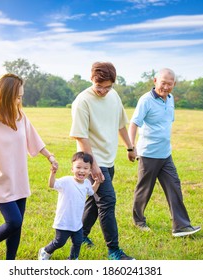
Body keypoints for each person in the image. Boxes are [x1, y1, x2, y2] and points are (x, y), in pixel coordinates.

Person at [0, 73, 58, 260]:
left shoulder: (20, 116)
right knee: (13, 221)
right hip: (0, 180)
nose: (20, 100)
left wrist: (50, 156)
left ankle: (10, 263)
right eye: (17, 96)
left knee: (17, 225)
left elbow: (34, 139)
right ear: (4, 96)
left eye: (21, 96)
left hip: (19, 178)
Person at [69, 62, 136, 260]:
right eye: (100, 87)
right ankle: (114, 250)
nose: (104, 91)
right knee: (107, 201)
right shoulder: (82, 101)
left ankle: (81, 236)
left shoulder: (113, 96)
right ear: (92, 79)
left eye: (108, 87)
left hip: (109, 159)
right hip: (92, 161)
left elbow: (121, 124)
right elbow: (81, 137)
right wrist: (94, 166)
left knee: (94, 201)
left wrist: (130, 147)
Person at [128, 68, 201, 237]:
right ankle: (139, 221)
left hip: (165, 153)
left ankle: (181, 226)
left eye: (170, 84)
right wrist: (131, 147)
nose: (166, 87)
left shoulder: (171, 99)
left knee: (174, 186)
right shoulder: (146, 100)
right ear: (155, 81)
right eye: (163, 83)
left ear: (174, 84)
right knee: (144, 189)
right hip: (148, 154)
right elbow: (134, 124)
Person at [38, 152, 100, 260]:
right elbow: (52, 185)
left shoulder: (86, 183)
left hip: (77, 222)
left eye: (85, 168)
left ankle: (72, 259)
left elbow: (91, 192)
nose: (81, 170)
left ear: (90, 171)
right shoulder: (66, 181)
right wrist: (52, 173)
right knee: (59, 242)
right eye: (78, 167)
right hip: (64, 221)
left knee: (78, 242)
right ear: (72, 169)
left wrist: (97, 182)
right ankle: (45, 251)